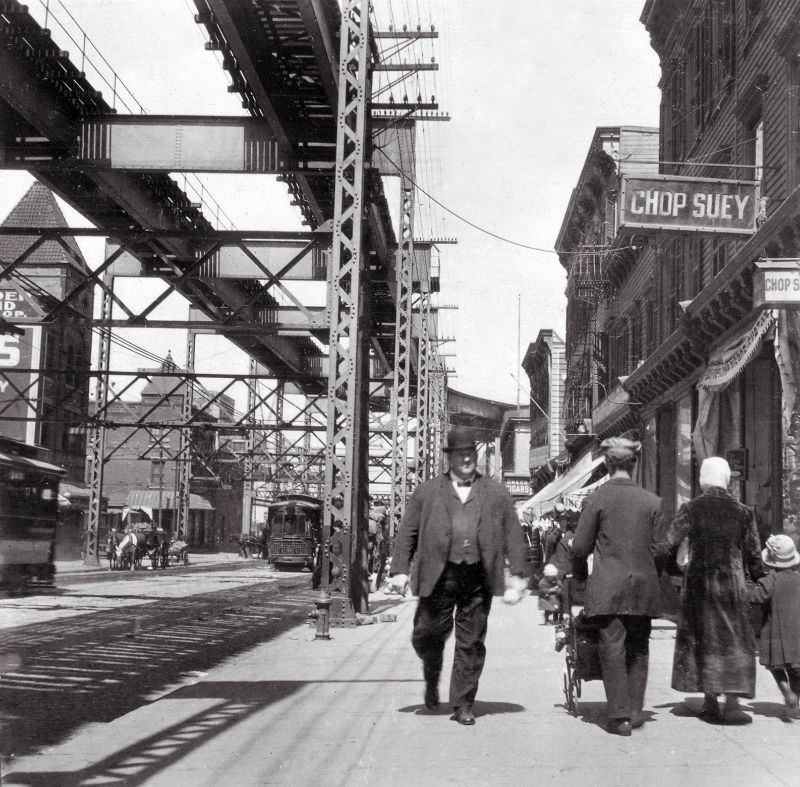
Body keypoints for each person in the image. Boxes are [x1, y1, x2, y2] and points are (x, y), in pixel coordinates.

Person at [388, 425, 528, 726]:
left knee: (471, 641)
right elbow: (407, 533)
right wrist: (399, 570)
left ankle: (463, 703)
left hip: (477, 576)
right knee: (427, 635)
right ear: (449, 458)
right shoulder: (426, 492)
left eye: (470, 454)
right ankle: (431, 673)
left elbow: (514, 534)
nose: (466, 459)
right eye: (460, 454)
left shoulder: (496, 492)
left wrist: (518, 573)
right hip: (438, 575)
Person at [571, 436, 663, 736]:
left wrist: (580, 579)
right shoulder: (653, 501)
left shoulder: (597, 499)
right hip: (644, 588)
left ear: (608, 464)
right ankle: (635, 710)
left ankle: (619, 716)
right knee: (639, 647)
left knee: (612, 647)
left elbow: (579, 547)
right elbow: (660, 549)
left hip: (608, 587)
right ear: (633, 464)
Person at [662, 456, 763, 724]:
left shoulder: (691, 509)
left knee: (703, 636)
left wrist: (672, 570)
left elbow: (669, 543)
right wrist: (759, 579)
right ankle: (733, 702)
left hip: (700, 584)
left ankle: (709, 701)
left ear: (703, 479)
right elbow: (753, 554)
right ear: (727, 479)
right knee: (734, 638)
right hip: (733, 584)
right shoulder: (743, 512)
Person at [749, 534, 800, 719]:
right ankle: (795, 702)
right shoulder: (798, 578)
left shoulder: (770, 580)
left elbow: (756, 597)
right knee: (796, 669)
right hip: (797, 633)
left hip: (775, 633)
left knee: (776, 668)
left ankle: (786, 691)